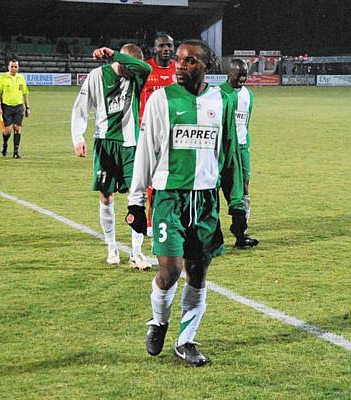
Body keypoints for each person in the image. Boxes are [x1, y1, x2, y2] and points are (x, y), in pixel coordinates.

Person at [126, 39, 246, 366]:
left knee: (197, 272)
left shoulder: (223, 101)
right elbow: (145, 151)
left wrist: (237, 204)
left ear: (207, 65)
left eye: (190, 61)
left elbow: (230, 155)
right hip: (169, 197)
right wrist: (136, 202)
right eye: (179, 61)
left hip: (205, 200)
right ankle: (159, 321)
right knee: (170, 269)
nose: (181, 66)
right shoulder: (160, 100)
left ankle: (186, 340)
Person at [71, 44, 153, 270]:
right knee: (106, 197)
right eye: (125, 66)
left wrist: (115, 55)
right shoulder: (97, 76)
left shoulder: (137, 76)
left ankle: (137, 253)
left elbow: (144, 67)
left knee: (137, 198)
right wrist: (78, 137)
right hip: (105, 145)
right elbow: (81, 107)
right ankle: (111, 247)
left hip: (131, 145)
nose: (129, 71)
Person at [219, 59, 260, 249]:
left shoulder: (248, 96)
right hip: (221, 149)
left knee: (244, 188)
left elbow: (245, 123)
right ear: (230, 72)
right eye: (239, 74)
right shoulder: (218, 93)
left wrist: (244, 145)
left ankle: (241, 232)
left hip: (241, 148)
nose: (243, 78)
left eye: (245, 74)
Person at [139, 33, 177, 237]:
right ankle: (147, 220)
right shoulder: (146, 69)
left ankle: (162, 220)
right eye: (162, 45)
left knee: (167, 179)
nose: (166, 49)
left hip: (171, 134)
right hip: (146, 133)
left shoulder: (177, 70)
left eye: (169, 46)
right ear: (154, 48)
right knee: (147, 180)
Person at [0, 58, 30, 158]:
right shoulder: (2, 78)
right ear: (8, 67)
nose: (14, 68)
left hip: (19, 107)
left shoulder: (21, 78)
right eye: (12, 66)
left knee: (17, 129)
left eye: (16, 67)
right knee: (7, 131)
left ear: (18, 67)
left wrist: (27, 107)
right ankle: (5, 144)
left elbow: (25, 93)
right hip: (7, 107)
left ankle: (16, 152)